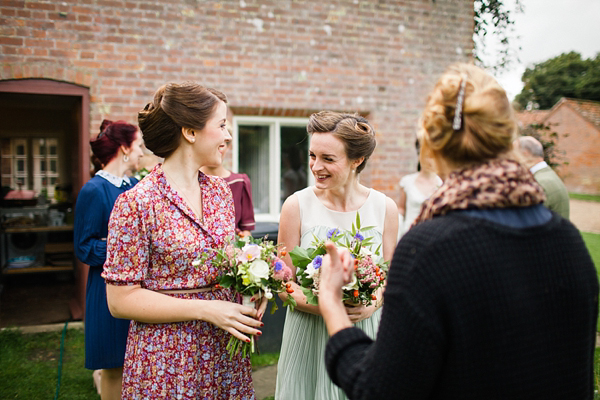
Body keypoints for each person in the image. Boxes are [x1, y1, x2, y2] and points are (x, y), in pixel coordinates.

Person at [318, 63, 598, 399]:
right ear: (507, 136)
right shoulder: (568, 240)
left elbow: (377, 390)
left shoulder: (429, 250)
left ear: (431, 145)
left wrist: (332, 302)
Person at [102, 82, 267, 399]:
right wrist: (206, 310)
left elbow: (227, 259)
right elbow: (120, 301)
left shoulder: (220, 192)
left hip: (224, 353)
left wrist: (253, 286)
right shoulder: (136, 204)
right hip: (167, 357)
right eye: (221, 125)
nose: (228, 136)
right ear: (190, 132)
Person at [275, 111, 399, 400]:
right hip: (309, 332)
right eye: (312, 156)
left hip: (366, 331)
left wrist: (371, 304)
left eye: (328, 159)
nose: (316, 166)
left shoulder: (385, 208)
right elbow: (284, 283)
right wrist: (328, 308)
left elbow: (390, 277)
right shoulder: (296, 206)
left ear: (357, 160)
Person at [74, 119, 144, 400]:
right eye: (138, 146)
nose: (142, 152)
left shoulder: (136, 185)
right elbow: (84, 248)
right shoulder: (94, 191)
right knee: (115, 366)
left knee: (136, 365)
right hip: (106, 290)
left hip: (140, 290)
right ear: (124, 148)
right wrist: (124, 249)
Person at [200, 139, 256, 236]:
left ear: (228, 147)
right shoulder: (191, 182)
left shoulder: (240, 182)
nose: (217, 150)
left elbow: (246, 231)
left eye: (221, 146)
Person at [514, 135, 570, 219]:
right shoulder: (547, 175)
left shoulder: (538, 183)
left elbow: (526, 222)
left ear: (525, 153)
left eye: (513, 154)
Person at [398, 136, 442, 236]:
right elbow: (401, 209)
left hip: (434, 234)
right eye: (427, 156)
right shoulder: (407, 182)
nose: (430, 160)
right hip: (409, 232)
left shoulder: (442, 184)